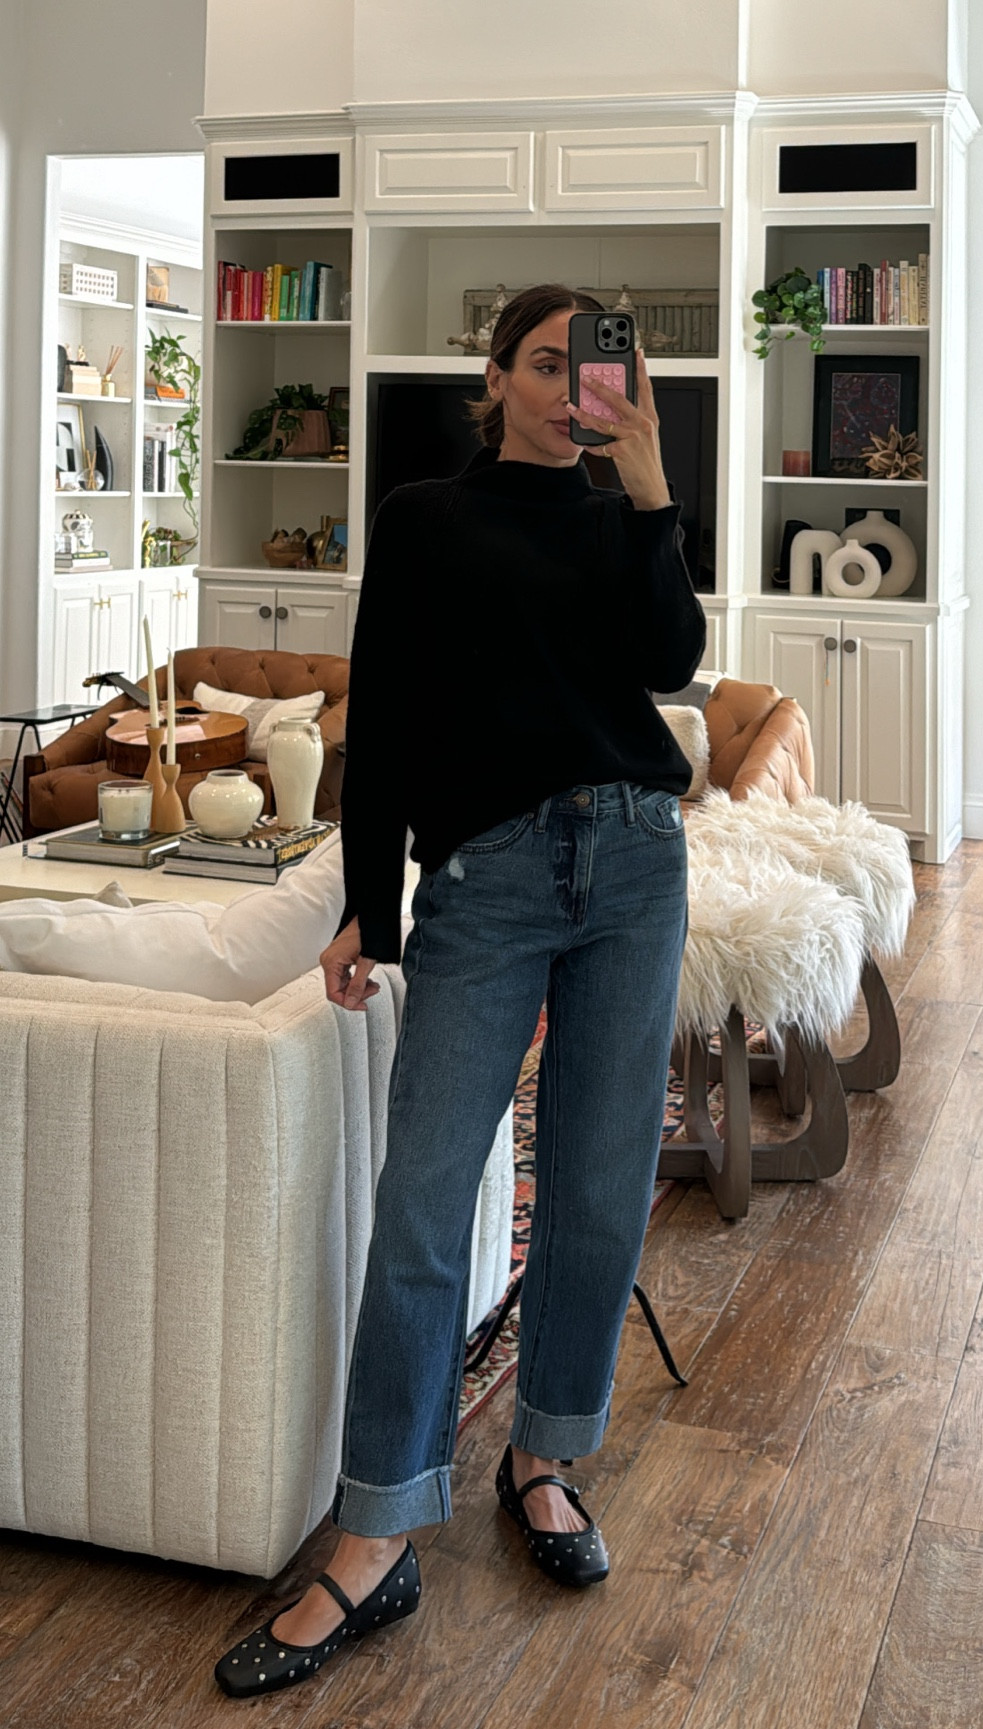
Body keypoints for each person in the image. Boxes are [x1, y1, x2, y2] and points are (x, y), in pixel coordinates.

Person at [214, 283, 706, 1700]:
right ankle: (377, 1533)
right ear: (494, 379)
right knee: (425, 1204)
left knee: (599, 1189)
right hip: (486, 882)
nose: (570, 391)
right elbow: (387, 712)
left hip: (635, 863)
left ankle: (543, 1459)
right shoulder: (427, 518)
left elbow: (668, 663)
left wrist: (650, 488)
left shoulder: (620, 518)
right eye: (545, 365)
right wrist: (370, 906)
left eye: (594, 371)